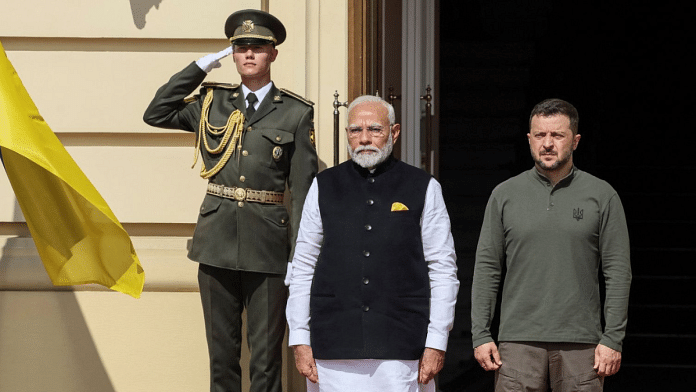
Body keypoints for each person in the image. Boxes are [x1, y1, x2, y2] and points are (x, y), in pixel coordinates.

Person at [143, 9, 318, 392]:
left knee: (266, 359)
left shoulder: (295, 112)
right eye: (240, 48)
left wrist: (298, 257)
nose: (249, 54)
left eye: (258, 47)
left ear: (273, 54)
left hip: (269, 247)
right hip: (217, 241)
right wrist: (200, 66)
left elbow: (304, 190)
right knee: (221, 357)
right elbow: (155, 113)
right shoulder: (211, 101)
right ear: (233, 54)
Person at [285, 95, 459, 391]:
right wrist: (300, 337)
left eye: (375, 129)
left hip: (402, 345)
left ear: (394, 132)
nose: (364, 138)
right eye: (355, 130)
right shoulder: (323, 185)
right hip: (333, 345)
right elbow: (302, 265)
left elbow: (442, 268)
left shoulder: (423, 186)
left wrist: (436, 341)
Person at [471, 98, 632, 391]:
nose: (547, 143)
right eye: (540, 135)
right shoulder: (504, 195)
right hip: (518, 341)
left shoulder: (602, 195)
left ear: (575, 141)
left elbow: (618, 272)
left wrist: (612, 338)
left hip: (582, 344)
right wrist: (481, 334)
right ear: (529, 140)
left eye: (557, 135)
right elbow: (487, 268)